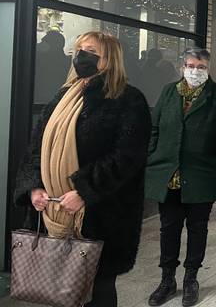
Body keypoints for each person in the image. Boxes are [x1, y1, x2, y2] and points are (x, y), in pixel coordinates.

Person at [15, 31, 151, 307]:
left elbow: (127, 157)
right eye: (79, 50)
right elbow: (37, 147)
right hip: (53, 208)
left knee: (98, 289)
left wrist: (85, 191)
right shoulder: (63, 96)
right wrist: (34, 187)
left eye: (90, 52)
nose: (81, 57)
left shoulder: (128, 99)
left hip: (101, 213)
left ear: (108, 60)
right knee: (58, 290)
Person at [144, 48, 216, 306]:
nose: (195, 70)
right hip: (168, 175)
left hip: (201, 176)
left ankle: (191, 279)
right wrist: (153, 156)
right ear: (182, 66)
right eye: (190, 65)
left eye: (201, 66)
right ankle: (167, 279)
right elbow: (154, 127)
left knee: (198, 229)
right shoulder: (169, 92)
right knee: (168, 228)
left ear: (208, 68)